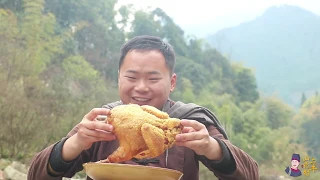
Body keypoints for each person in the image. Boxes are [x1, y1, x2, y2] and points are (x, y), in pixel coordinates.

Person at [27, 35, 259, 180]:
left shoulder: (187, 122)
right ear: (119, 78)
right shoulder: (102, 120)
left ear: (172, 82)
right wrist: (76, 142)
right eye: (132, 77)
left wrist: (211, 147)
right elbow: (36, 175)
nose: (141, 88)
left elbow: (250, 174)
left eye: (153, 78)